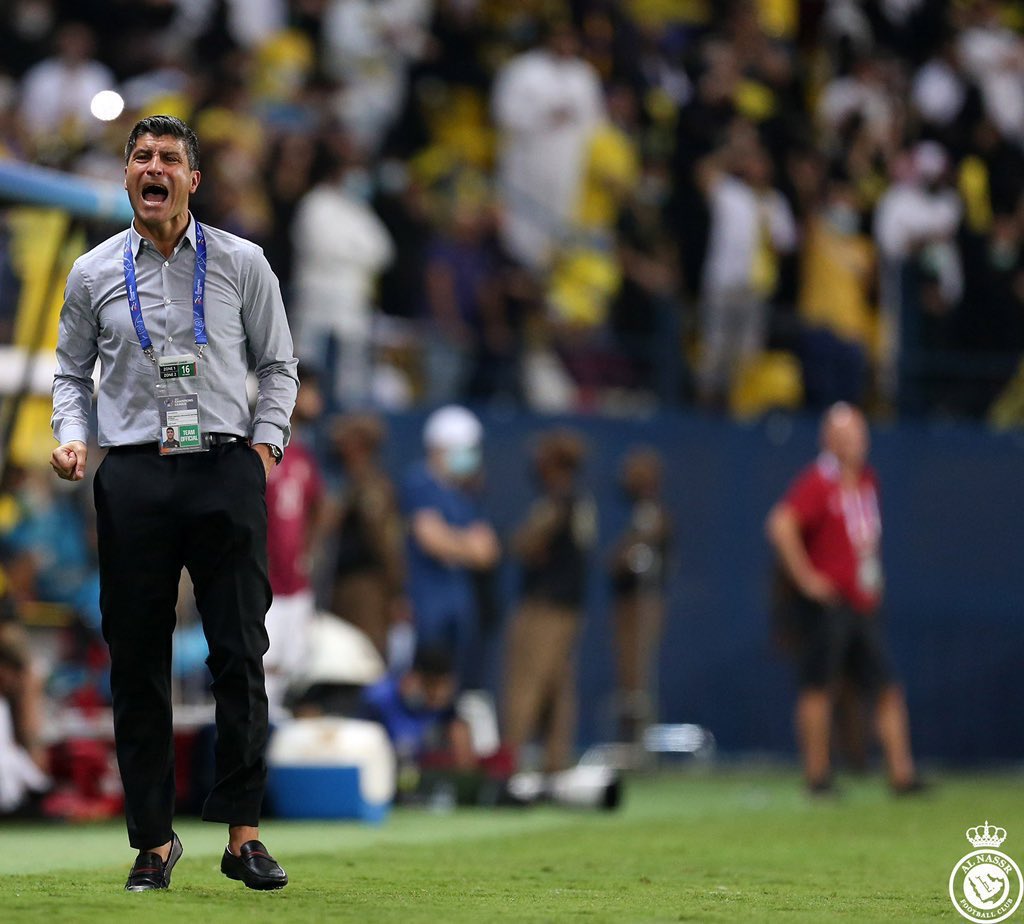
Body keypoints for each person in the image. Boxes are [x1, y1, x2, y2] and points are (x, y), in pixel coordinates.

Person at [49, 115, 296, 892]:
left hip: (224, 466)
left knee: (239, 653)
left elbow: (279, 365)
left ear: (193, 179)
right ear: (128, 175)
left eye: (169, 158)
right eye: (141, 156)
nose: (153, 167)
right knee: (136, 661)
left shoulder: (242, 261)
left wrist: (264, 451)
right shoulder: (92, 271)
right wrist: (71, 436)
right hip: (132, 474)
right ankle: (153, 842)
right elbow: (69, 373)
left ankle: (243, 835)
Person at [765, 403, 922, 796]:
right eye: (846, 436)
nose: (855, 443)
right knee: (819, 686)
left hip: (863, 601)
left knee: (886, 686)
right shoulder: (819, 481)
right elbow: (781, 524)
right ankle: (817, 776)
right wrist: (807, 579)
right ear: (829, 441)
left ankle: (902, 775)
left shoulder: (867, 479)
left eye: (858, 434)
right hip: (830, 604)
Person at [503, 429, 597, 773]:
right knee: (558, 685)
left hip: (546, 607)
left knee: (525, 683)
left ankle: (509, 763)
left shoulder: (558, 502)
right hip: (569, 607)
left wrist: (523, 543)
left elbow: (525, 544)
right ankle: (556, 763)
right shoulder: (580, 501)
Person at [399, 405, 500, 679]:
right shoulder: (419, 482)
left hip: (460, 604)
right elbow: (431, 540)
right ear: (442, 448)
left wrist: (452, 542)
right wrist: (466, 545)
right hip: (425, 601)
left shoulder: (467, 492)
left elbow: (487, 552)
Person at [263, 366, 327, 714]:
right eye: (312, 391)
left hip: (296, 585)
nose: (318, 400)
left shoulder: (304, 455)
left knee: (296, 672)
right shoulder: (260, 449)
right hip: (266, 585)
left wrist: (309, 551)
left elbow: (319, 506)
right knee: (264, 674)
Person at [607, 447, 673, 747]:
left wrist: (624, 555)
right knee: (627, 673)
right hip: (628, 601)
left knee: (639, 673)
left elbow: (633, 552)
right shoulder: (636, 514)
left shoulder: (654, 514)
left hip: (644, 604)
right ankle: (629, 738)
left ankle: (637, 741)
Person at [329, 412, 406, 661]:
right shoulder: (346, 483)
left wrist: (396, 591)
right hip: (342, 587)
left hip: (366, 590)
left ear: (360, 446)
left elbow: (385, 543)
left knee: (364, 659)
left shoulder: (371, 486)